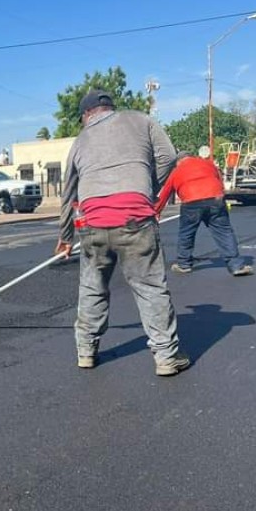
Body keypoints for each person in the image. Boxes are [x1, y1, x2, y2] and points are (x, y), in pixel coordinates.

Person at [56, 89, 190, 377]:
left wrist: (66, 237)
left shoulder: (80, 140)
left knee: (92, 287)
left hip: (92, 226)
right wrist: (147, 189)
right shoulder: (142, 121)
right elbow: (168, 157)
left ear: (86, 115)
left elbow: (67, 192)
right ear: (109, 108)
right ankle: (166, 357)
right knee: (150, 287)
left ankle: (86, 351)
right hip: (135, 219)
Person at [154, 149, 253, 277]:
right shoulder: (208, 164)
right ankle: (236, 265)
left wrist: (155, 213)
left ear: (178, 162)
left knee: (187, 233)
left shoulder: (177, 170)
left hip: (191, 202)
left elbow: (165, 193)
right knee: (224, 231)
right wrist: (221, 196)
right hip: (215, 199)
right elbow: (219, 180)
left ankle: (184, 264)